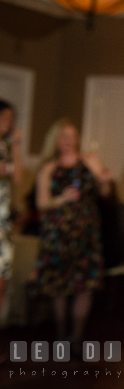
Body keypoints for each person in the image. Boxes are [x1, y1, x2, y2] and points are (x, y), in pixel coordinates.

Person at [33, 119, 111, 347]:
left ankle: (76, 337)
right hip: (58, 235)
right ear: (56, 141)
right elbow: (41, 203)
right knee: (58, 286)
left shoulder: (89, 161)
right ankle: (61, 334)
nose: (68, 141)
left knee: (84, 285)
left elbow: (105, 193)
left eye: (72, 136)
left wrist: (103, 178)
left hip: (86, 232)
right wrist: (62, 198)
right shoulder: (48, 168)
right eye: (63, 136)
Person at [0, 101, 23, 343]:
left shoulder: (6, 146)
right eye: (6, 117)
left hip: (2, 224)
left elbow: (17, 176)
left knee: (2, 281)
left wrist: (16, 145)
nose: (9, 123)